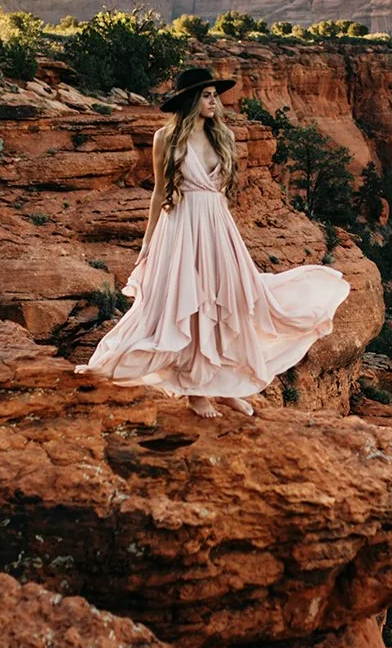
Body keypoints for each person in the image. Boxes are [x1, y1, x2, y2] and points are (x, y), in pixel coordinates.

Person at [79, 66, 349, 417]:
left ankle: (226, 385)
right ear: (191, 99)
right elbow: (160, 192)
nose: (214, 101)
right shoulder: (166, 138)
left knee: (229, 304)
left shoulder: (224, 136)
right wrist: (148, 243)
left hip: (217, 225)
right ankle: (196, 390)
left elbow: (224, 194)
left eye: (214, 95)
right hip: (181, 227)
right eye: (207, 95)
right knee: (191, 307)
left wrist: (225, 233)